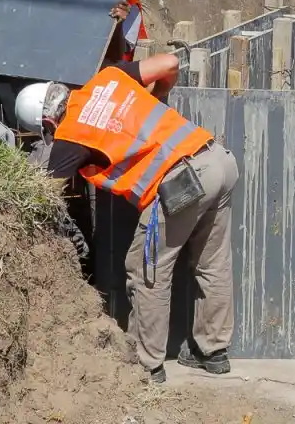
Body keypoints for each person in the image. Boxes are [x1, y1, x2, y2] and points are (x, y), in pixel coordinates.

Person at [15, 53, 240, 382]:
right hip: (217, 157)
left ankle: (146, 365)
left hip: (181, 183)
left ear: (47, 123)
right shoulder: (108, 78)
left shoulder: (69, 140)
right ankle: (214, 352)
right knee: (213, 261)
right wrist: (158, 97)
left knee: (147, 269)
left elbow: (44, 196)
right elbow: (169, 64)